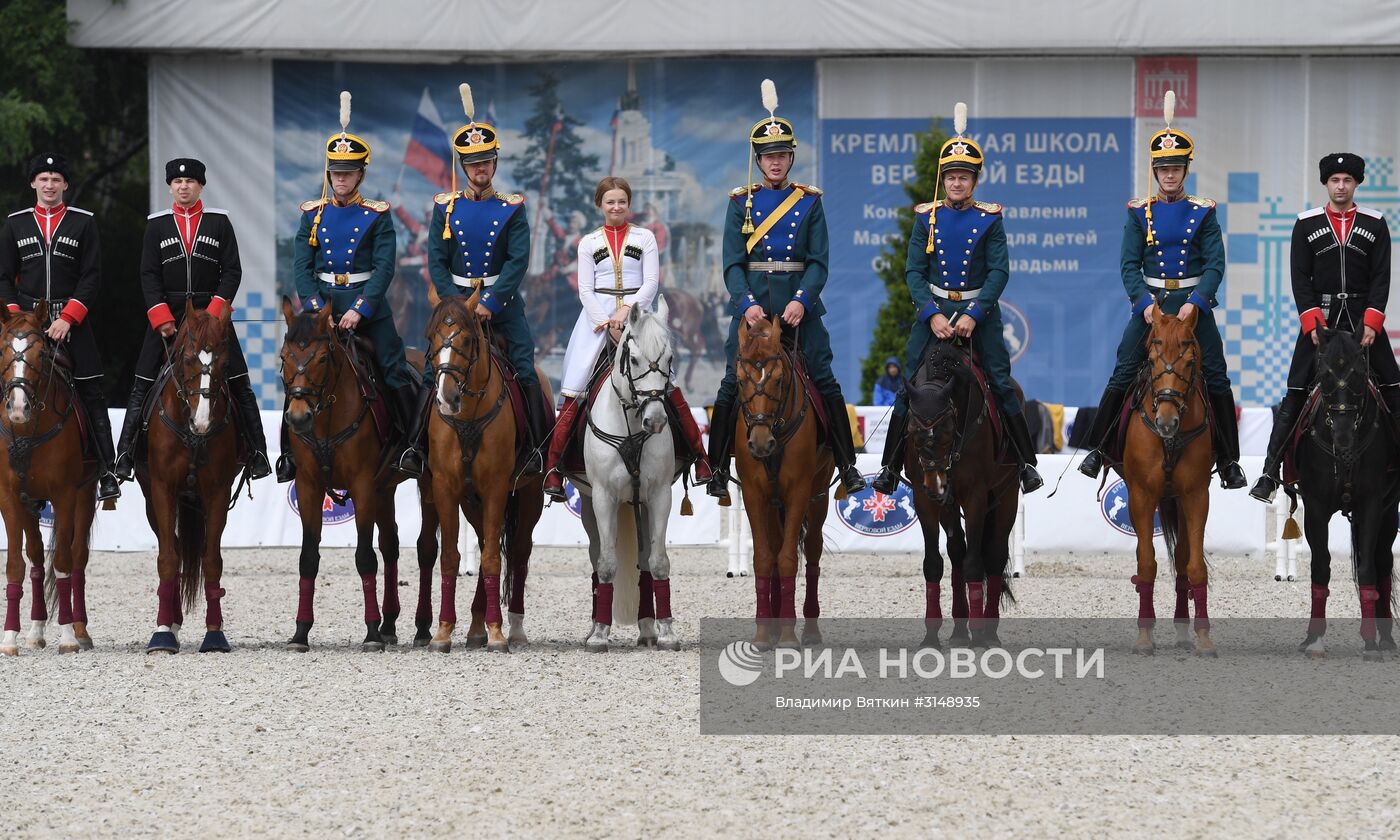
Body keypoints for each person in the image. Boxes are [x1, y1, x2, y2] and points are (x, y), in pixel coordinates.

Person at [1075, 92, 1246, 489]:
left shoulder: (1203, 211)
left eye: (1175, 169)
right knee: (1122, 370)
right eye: (1163, 169)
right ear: (1155, 171)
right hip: (1152, 308)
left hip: (1192, 310)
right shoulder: (1139, 211)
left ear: (1186, 170)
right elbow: (1127, 265)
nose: (1169, 175)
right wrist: (1144, 305)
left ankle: (1230, 461)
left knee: (1217, 376)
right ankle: (1098, 450)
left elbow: (1215, 265)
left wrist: (1196, 303)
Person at [870, 104, 1043, 495]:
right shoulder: (925, 218)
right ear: (943, 180)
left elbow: (999, 272)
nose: (957, 184)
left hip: (977, 315)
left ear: (975, 180)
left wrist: (975, 314)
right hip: (934, 316)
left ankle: (1025, 463)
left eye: (964, 177)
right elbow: (914, 272)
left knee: (999, 382)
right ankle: (889, 466)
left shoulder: (990, 219)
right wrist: (931, 314)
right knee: (909, 386)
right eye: (951, 177)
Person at [706, 80, 865, 503]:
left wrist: (802, 300)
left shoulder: (809, 203)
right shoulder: (741, 202)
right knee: (728, 384)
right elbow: (731, 263)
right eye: (768, 156)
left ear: (791, 157)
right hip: (754, 312)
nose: (775, 162)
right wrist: (747, 305)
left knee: (826, 381)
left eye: (782, 155)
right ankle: (717, 469)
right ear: (758, 161)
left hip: (799, 311)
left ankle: (848, 467)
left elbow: (819, 262)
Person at [398, 83, 551, 477]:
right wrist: (457, 305)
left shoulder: (512, 209)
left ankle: (538, 452)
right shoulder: (444, 208)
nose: (479, 169)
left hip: (500, 305)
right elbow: (436, 260)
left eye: (485, 162)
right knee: (434, 370)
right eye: (471, 163)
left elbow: (518, 262)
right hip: (455, 305)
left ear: (494, 163)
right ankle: (415, 447)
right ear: (462, 167)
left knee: (525, 366)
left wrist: (491, 303)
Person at [543, 176, 713, 501]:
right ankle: (553, 469)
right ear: (600, 205)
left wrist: (626, 312)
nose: (616, 207)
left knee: (667, 383)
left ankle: (700, 459)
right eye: (610, 202)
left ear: (629, 204)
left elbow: (650, 281)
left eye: (622, 201)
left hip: (639, 316)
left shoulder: (645, 237)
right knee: (575, 387)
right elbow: (584, 290)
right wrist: (605, 321)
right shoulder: (588, 243)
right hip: (596, 319)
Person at [277, 91, 417, 482]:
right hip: (320, 309)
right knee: (296, 370)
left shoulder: (378, 215)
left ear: (361, 175)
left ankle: (412, 446)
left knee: (394, 370)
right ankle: (288, 454)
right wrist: (315, 306)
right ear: (329, 175)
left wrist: (361, 309)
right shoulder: (312, 214)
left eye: (349, 172)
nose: (341, 178)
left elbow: (385, 268)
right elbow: (302, 267)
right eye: (336, 172)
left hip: (365, 307)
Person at [1250, 153, 1398, 502]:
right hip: (1322, 323)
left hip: (1363, 321)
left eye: (1347, 180)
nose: (1341, 186)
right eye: (1335, 180)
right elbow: (1300, 278)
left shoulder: (1376, 223)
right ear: (1326, 184)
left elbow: (1381, 276)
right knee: (1296, 391)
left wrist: (1373, 321)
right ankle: (1269, 473)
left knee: (1393, 386)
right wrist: (1312, 323)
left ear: (1356, 183)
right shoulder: (1306, 223)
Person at [115, 158, 271, 481]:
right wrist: (160, 317)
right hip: (167, 318)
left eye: (190, 181)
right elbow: (148, 274)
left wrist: (214, 315)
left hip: (211, 317)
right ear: (170, 186)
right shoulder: (156, 225)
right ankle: (125, 455)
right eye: (177, 182)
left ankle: (259, 454)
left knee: (240, 381)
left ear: (201, 185)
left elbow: (232, 271)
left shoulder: (219, 223)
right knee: (142, 382)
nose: (183, 186)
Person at [0, 153, 120, 501]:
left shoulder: (83, 223)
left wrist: (68, 317)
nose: (49, 185)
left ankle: (107, 470)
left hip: (72, 323)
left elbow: (91, 276)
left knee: (91, 390)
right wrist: (18, 318)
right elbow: (4, 277)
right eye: (43, 179)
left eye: (56, 179)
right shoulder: (15, 224)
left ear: (65, 185)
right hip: (24, 323)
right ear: (33, 183)